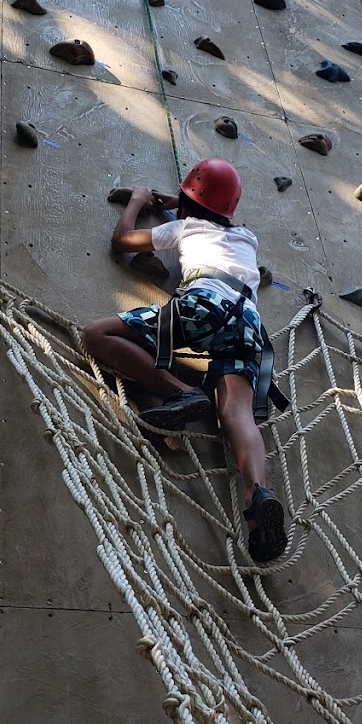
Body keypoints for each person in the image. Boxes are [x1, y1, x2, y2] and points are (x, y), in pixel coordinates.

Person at [81, 159, 288, 563]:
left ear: (188, 202)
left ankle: (180, 393)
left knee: (95, 335)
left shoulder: (184, 226)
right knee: (238, 414)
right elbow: (210, 211)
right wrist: (178, 199)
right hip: (248, 323)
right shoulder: (247, 238)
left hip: (204, 304)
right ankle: (257, 494)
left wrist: (139, 201)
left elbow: (123, 240)